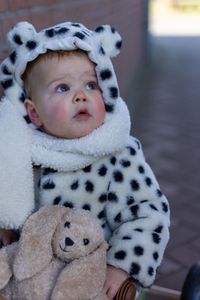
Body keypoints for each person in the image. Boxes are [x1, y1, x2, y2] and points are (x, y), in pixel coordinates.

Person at [0, 21, 170, 299]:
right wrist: (6, 224)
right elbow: (10, 198)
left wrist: (121, 266)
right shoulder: (21, 152)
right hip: (33, 282)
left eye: (91, 84)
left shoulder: (118, 154)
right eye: (62, 88)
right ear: (34, 113)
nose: (81, 95)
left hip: (95, 280)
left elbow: (148, 212)